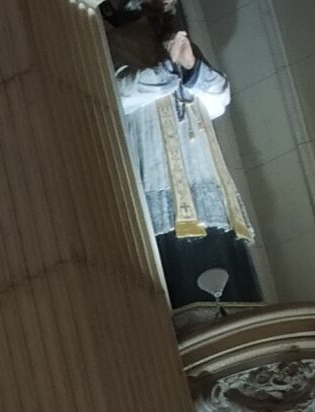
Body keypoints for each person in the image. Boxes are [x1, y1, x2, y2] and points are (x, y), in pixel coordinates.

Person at [102, 0, 260, 308]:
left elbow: (218, 102)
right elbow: (116, 94)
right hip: (157, 169)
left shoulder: (184, 43)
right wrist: (165, 69)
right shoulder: (114, 43)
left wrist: (191, 67)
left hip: (202, 172)